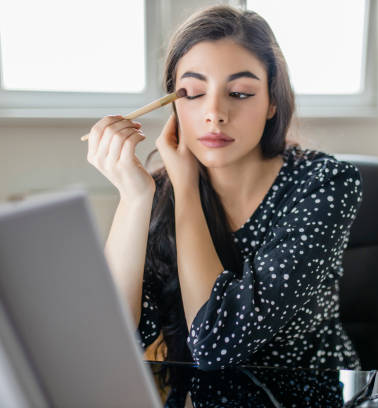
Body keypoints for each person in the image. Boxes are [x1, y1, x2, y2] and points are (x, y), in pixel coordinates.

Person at [86, 5, 362, 371]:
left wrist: (186, 189)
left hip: (304, 391)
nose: (214, 112)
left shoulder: (325, 183)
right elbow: (114, 342)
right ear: (173, 105)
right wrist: (134, 199)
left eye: (241, 93)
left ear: (272, 102)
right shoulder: (156, 193)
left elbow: (218, 344)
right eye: (193, 93)